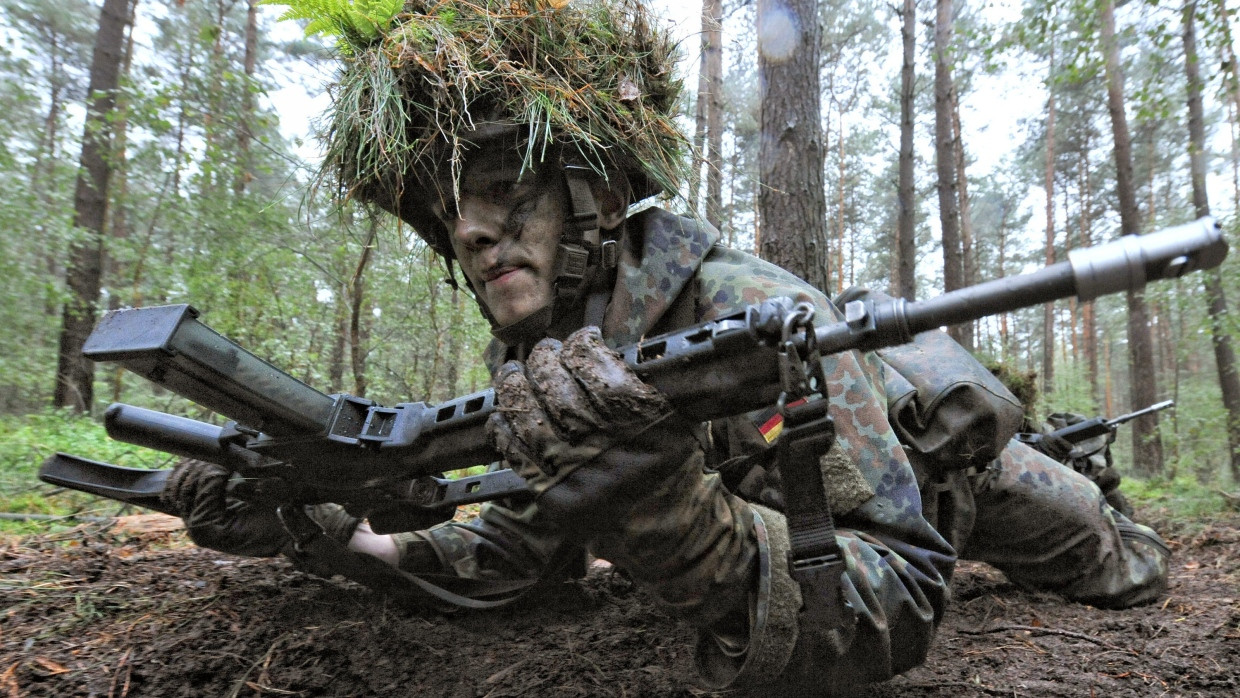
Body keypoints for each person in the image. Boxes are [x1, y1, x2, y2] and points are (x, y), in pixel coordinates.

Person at [161, 1, 1168, 693]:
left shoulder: (753, 311)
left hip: (946, 481)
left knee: (1124, 568)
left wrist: (672, 517)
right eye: (450, 211)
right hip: (801, 521)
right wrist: (326, 531)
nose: (471, 231)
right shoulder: (544, 350)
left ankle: (1080, 466)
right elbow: (513, 548)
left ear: (591, 199)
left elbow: (902, 594)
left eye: (506, 189)